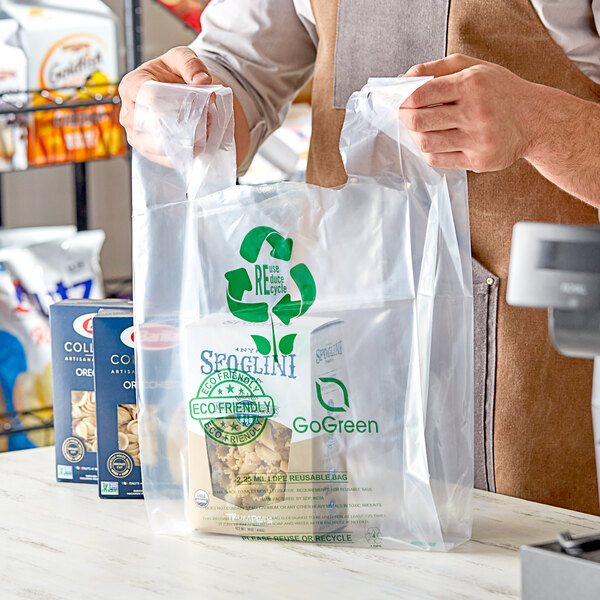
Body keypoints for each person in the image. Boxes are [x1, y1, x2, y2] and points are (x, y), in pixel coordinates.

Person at [120, 0, 600, 514]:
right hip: (337, 343)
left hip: (545, 367)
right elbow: (237, 72)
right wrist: (178, 107)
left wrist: (540, 123)